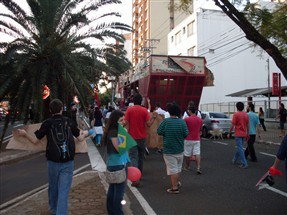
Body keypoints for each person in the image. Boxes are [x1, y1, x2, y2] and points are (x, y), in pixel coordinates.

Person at [17, 99, 88, 215]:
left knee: (53, 187)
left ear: (50, 110)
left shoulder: (47, 123)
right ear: (61, 109)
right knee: (63, 191)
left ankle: (54, 209)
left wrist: (25, 134)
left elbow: (35, 140)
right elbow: (80, 138)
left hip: (53, 162)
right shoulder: (69, 121)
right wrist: (84, 133)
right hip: (68, 161)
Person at [123, 93, 156, 187]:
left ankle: (135, 178)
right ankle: (139, 174)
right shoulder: (144, 110)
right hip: (142, 137)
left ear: (133, 101)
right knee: (141, 157)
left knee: (133, 157)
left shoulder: (129, 110)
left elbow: (125, 122)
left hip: (131, 137)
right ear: (141, 101)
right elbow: (149, 124)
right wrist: (153, 118)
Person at [103, 110, 130, 215]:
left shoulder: (114, 130)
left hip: (115, 163)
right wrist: (125, 136)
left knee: (113, 189)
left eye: (123, 119)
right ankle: (117, 212)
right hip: (118, 164)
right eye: (121, 120)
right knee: (119, 191)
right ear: (115, 121)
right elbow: (119, 148)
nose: (123, 122)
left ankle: (112, 210)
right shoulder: (114, 132)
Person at [157, 104, 188, 194]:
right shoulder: (182, 122)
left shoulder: (166, 122)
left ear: (169, 112)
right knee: (178, 168)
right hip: (180, 148)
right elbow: (186, 134)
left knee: (173, 169)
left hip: (169, 149)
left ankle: (174, 188)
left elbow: (159, 131)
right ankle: (177, 182)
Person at [227, 102, 249, 169]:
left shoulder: (236, 114)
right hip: (244, 133)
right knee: (240, 148)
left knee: (240, 148)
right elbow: (248, 125)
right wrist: (248, 133)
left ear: (237, 107)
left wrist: (229, 133)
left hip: (238, 133)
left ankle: (244, 163)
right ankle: (234, 159)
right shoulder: (246, 115)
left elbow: (232, 125)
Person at [183, 105, 203, 174]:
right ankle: (198, 168)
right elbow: (200, 130)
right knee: (197, 153)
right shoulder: (200, 120)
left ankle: (187, 166)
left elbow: (184, 129)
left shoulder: (186, 119)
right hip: (197, 138)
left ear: (190, 111)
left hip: (188, 138)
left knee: (187, 154)